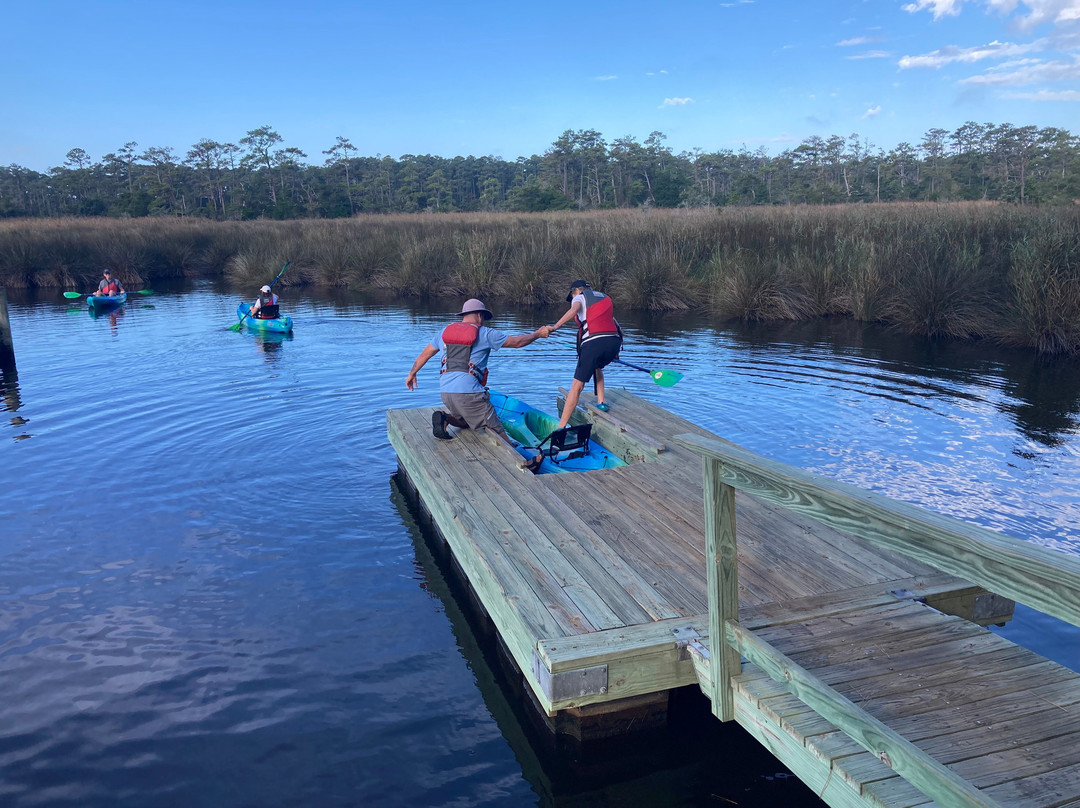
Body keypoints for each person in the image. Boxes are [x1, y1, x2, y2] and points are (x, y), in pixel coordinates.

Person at [405, 298, 550, 467]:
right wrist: (538, 334)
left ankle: (445, 418)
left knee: (466, 420)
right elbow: (518, 343)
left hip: (446, 392)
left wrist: (411, 374)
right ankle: (524, 463)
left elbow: (425, 354)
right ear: (480, 316)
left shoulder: (444, 332)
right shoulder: (486, 333)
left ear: (464, 315)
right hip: (469, 394)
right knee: (496, 429)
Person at [547, 279, 622, 428]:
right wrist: (616, 351)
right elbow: (617, 325)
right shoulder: (603, 298)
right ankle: (601, 402)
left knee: (576, 386)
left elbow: (573, 310)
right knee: (596, 366)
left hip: (594, 344)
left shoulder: (580, 297)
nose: (572, 300)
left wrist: (555, 326)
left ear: (576, 291)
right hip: (614, 343)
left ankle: (560, 428)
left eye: (572, 296)